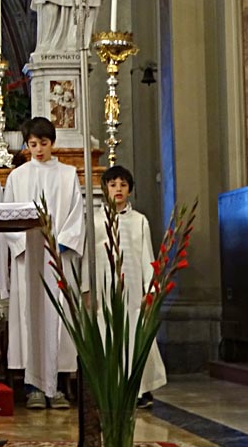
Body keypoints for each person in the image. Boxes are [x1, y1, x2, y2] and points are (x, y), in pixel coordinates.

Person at [1, 116, 84, 409]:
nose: (38, 149)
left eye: (43, 143)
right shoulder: (17, 177)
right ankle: (33, 386)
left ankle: (58, 385)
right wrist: (26, 245)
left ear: (52, 143)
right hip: (30, 259)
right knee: (30, 317)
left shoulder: (68, 175)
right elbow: (8, 218)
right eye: (33, 144)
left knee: (60, 318)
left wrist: (62, 243)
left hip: (58, 258)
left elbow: (76, 215)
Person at [83, 165, 167, 409]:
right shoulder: (94, 221)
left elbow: (147, 257)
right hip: (104, 289)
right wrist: (87, 289)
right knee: (106, 334)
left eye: (123, 185)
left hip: (132, 290)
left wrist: (150, 291)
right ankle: (110, 390)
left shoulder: (140, 221)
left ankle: (137, 390)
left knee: (133, 336)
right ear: (105, 189)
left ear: (130, 189)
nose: (118, 189)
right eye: (113, 185)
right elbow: (88, 257)